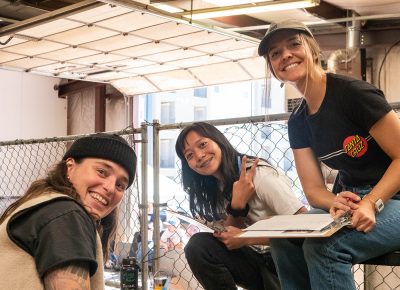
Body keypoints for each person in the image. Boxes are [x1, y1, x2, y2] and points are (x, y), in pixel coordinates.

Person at [257, 19, 400, 290]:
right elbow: (313, 189)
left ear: (312, 49)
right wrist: (334, 201)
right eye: (275, 53)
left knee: (325, 247)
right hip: (356, 197)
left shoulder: (353, 95)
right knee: (284, 239)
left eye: (293, 44)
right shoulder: (298, 120)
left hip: (392, 198)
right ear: (273, 69)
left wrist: (371, 202)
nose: (285, 54)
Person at [175, 122, 307, 290]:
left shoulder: (259, 174)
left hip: (287, 264)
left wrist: (247, 237)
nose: (199, 155)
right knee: (198, 246)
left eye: (202, 144)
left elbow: (306, 229)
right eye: (189, 155)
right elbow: (230, 240)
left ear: (218, 141)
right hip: (259, 261)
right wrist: (237, 205)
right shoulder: (218, 185)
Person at [0, 133, 137, 289]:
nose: (110, 188)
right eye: (102, 171)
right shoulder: (67, 214)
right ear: (70, 167)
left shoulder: (42, 202)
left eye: (120, 185)